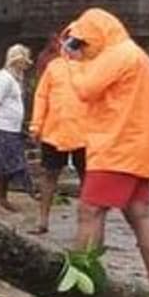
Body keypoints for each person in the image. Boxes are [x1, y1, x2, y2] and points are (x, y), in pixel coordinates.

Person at [61, 8, 149, 278]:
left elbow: (85, 90)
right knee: (140, 214)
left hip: (116, 148)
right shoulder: (136, 54)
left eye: (82, 42)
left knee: (90, 210)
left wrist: (73, 63)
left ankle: (81, 279)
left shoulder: (117, 54)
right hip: (137, 148)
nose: (83, 49)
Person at [29, 34, 87, 234]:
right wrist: (36, 126)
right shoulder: (54, 67)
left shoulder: (93, 67)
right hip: (55, 131)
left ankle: (87, 223)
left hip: (84, 134)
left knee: (87, 179)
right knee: (49, 175)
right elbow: (42, 97)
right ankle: (42, 220)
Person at [0, 44, 33, 212]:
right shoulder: (4, 77)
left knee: (9, 166)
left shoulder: (16, 79)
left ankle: (3, 198)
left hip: (12, 128)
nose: (25, 65)